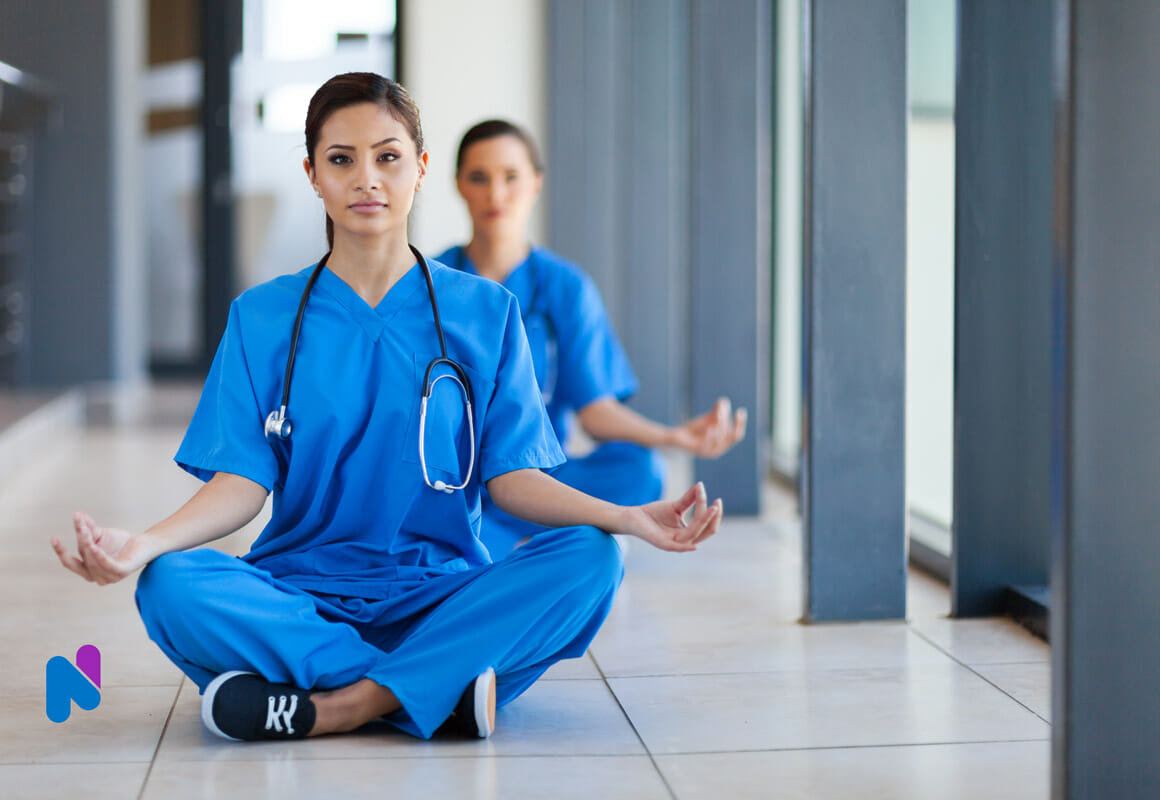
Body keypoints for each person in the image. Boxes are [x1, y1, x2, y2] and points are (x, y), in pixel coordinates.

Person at [50, 73, 723, 744]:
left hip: (439, 594)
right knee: (170, 583)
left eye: (388, 156)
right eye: (341, 159)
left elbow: (513, 479)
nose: (366, 178)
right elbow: (241, 485)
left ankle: (335, 704)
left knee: (591, 560)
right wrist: (142, 544)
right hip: (303, 595)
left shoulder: (487, 315)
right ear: (313, 174)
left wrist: (628, 519)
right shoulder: (261, 319)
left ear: (421, 169)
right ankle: (437, 690)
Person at [437, 119, 747, 559]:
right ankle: (541, 528)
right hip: (457, 481)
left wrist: (675, 437)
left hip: (541, 478)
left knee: (639, 471)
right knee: (448, 549)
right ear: (458, 185)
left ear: (536, 183)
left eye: (511, 177)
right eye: (479, 178)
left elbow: (595, 411)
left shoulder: (565, 286)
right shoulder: (432, 285)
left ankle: (527, 521)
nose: (496, 194)